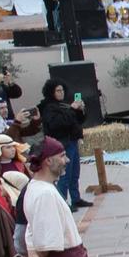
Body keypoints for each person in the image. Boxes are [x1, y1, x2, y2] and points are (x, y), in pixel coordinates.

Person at [36, 80, 91, 209]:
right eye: (58, 91)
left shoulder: (63, 105)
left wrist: (80, 110)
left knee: (74, 173)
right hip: (62, 143)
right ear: (51, 92)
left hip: (72, 140)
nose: (61, 93)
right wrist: (72, 109)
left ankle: (76, 198)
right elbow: (57, 124)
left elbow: (77, 120)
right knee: (64, 174)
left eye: (62, 90)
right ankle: (63, 202)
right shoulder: (49, 107)